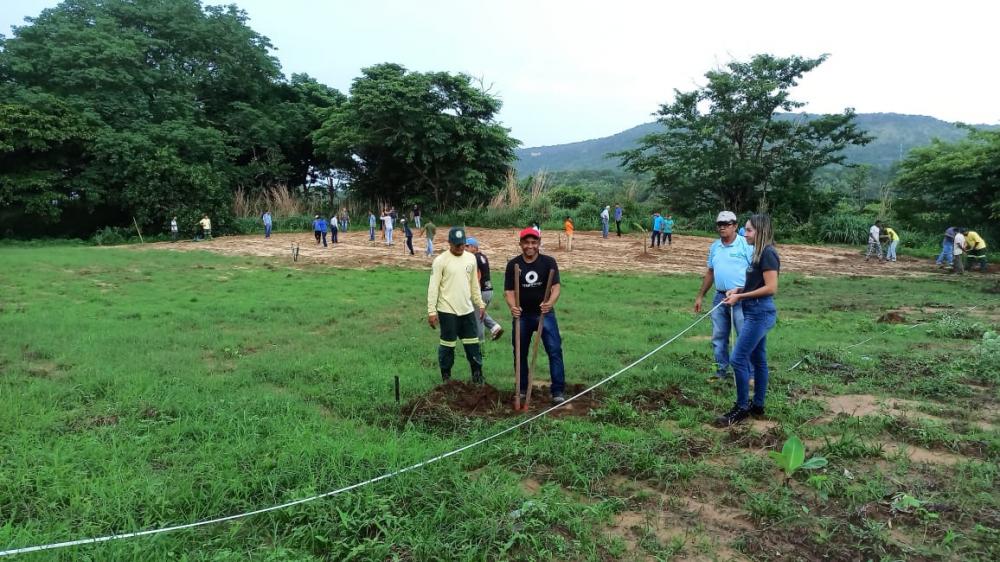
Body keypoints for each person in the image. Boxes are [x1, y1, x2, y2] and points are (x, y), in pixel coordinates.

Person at [716, 213, 780, 426]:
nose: (745, 234)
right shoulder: (757, 254)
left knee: (737, 359)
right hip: (754, 311)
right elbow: (757, 283)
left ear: (760, 232)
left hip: (760, 313)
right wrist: (739, 289)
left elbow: (771, 288)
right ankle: (758, 405)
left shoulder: (768, 253)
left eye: (749, 230)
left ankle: (742, 407)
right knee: (758, 359)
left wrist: (740, 297)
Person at [504, 227, 566, 405]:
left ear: (539, 243)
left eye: (533, 242)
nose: (530, 246)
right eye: (526, 242)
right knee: (520, 352)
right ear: (520, 244)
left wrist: (550, 303)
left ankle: (558, 390)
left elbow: (556, 287)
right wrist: (513, 306)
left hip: (544, 314)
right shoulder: (513, 265)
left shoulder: (549, 262)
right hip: (522, 316)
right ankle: (522, 389)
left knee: (554, 350)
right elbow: (509, 291)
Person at [694, 211, 751, 382]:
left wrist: (742, 291)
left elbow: (755, 272)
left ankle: (749, 374)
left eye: (726, 224)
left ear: (735, 226)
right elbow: (710, 272)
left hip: (742, 298)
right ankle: (721, 372)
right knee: (718, 336)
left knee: (745, 336)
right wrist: (700, 296)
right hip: (720, 298)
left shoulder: (746, 244)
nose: (722, 227)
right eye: (719, 224)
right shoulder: (715, 247)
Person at [427, 227, 485, 383]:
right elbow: (433, 287)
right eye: (457, 244)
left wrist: (480, 303)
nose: (460, 247)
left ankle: (477, 377)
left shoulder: (471, 258)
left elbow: (474, 284)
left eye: (462, 244)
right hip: (447, 310)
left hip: (467, 310)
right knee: (447, 346)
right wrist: (431, 311)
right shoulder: (440, 261)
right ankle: (446, 379)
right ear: (449, 243)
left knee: (473, 345)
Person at [465, 237, 504, 342]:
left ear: (474, 247)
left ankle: (480, 341)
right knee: (478, 312)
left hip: (481, 291)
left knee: (477, 316)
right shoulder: (483, 257)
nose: (465, 248)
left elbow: (477, 276)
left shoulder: (473, 259)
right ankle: (495, 327)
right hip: (489, 290)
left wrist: (475, 292)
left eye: (467, 246)